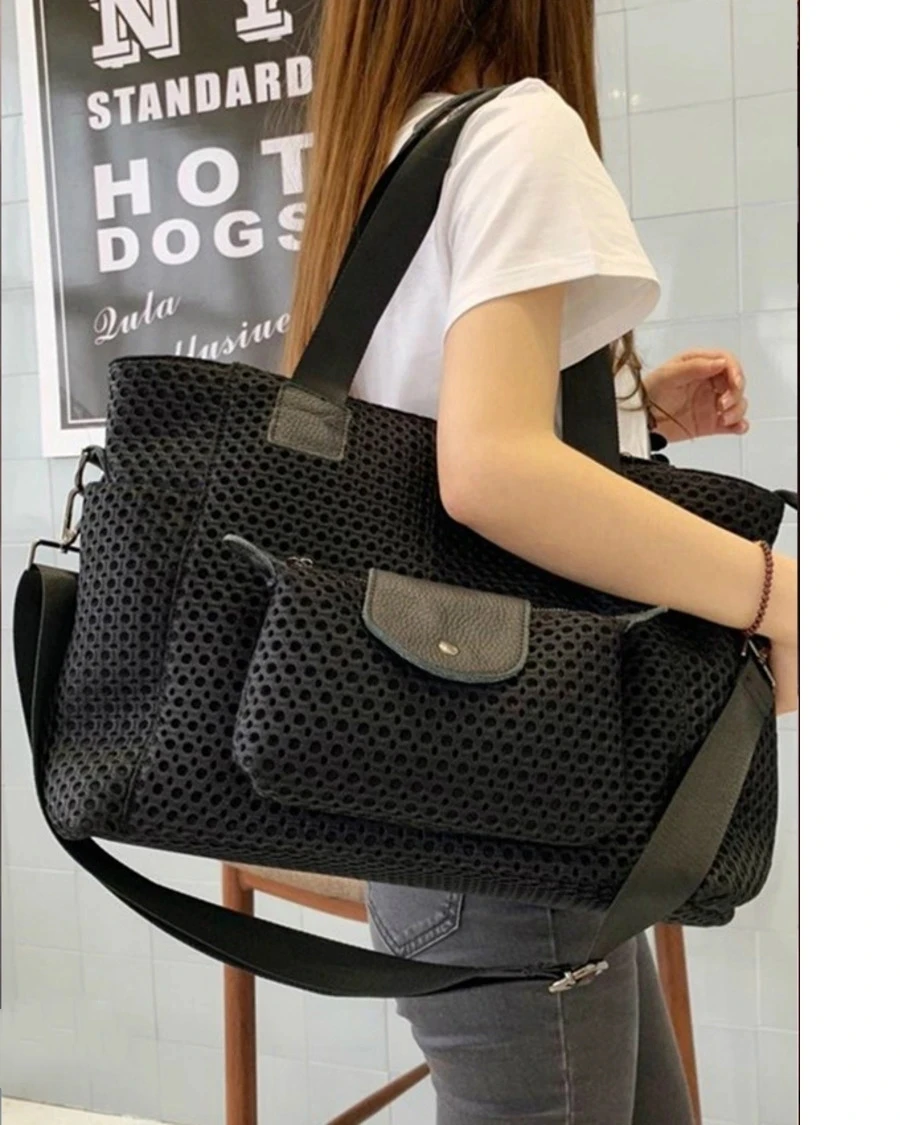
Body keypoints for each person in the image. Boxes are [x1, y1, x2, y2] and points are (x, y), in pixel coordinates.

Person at [282, 3, 799, 1122]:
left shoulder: (390, 148)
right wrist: (778, 594)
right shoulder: (517, 128)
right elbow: (488, 473)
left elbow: (420, 446)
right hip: (512, 790)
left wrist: (629, 411)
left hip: (433, 793)